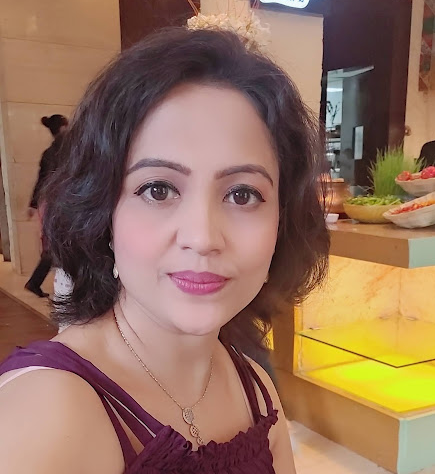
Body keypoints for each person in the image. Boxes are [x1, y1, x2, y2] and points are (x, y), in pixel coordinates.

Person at [0, 28, 330, 473]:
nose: (203, 237)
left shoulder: (255, 390)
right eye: (158, 189)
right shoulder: (47, 416)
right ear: (104, 213)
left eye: (242, 194)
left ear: (281, 222)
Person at [25, 114, 68, 297]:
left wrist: (34, 204)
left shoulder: (51, 152)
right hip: (59, 204)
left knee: (55, 246)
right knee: (59, 246)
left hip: (51, 203)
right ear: (63, 128)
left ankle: (36, 282)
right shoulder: (66, 150)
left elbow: (41, 180)